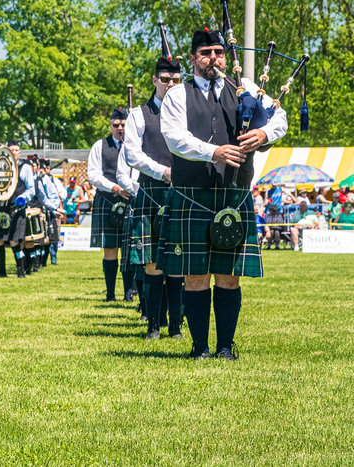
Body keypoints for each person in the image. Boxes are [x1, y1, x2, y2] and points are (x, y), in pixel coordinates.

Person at [159, 27, 287, 360]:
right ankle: (200, 347)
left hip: (234, 193)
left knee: (229, 276)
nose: (212, 58)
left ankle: (226, 347)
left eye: (217, 51)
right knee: (196, 275)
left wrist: (262, 132)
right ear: (193, 58)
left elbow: (281, 118)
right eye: (205, 53)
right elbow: (174, 138)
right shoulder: (177, 95)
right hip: (192, 193)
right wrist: (213, 152)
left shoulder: (244, 90)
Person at [120, 54, 184, 339]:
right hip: (152, 192)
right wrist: (163, 172)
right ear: (155, 80)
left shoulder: (186, 113)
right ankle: (153, 326)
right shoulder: (138, 115)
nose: (170, 84)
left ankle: (176, 327)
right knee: (152, 265)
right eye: (166, 79)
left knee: (179, 263)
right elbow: (132, 154)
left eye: (176, 80)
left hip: (184, 193)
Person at [88, 108, 134, 301]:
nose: (120, 128)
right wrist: (114, 187)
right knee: (110, 249)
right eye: (116, 125)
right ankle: (110, 294)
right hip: (107, 200)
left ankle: (129, 293)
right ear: (110, 126)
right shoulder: (100, 146)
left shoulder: (134, 146)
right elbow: (93, 175)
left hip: (131, 201)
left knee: (130, 249)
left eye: (123, 125)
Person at [0, 141, 35, 278]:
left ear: (19, 153)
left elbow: (31, 189)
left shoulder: (25, 167)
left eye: (16, 150)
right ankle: (2, 271)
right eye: (11, 150)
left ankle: (20, 270)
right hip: (1, 208)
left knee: (14, 241)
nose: (14, 152)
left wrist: (22, 198)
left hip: (16, 208)